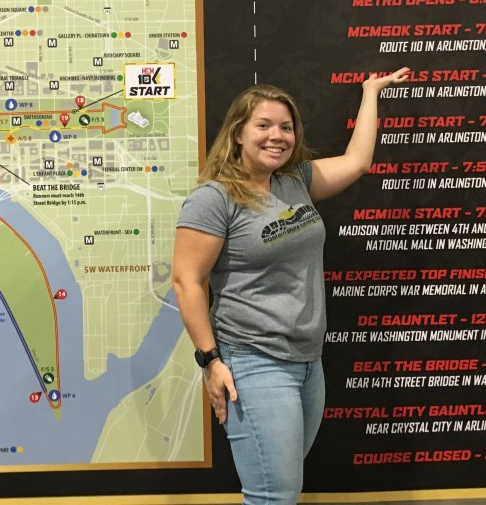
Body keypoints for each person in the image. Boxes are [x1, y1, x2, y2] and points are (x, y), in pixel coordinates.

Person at [171, 68, 410, 505]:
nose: (275, 136)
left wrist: (371, 93)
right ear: (238, 133)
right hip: (254, 362)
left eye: (285, 126)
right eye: (263, 125)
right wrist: (210, 361)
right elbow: (187, 281)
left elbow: (358, 162)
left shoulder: (293, 181)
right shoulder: (215, 197)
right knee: (273, 496)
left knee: (280, 491)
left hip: (307, 364)